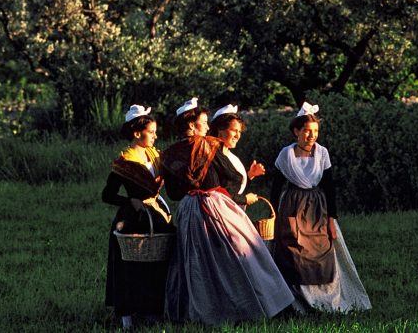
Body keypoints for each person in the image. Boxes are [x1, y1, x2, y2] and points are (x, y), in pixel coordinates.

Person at [161, 97, 295, 325]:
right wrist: (244, 193)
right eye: (203, 122)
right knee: (246, 251)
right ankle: (255, 306)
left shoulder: (170, 154)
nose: (207, 126)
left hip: (188, 210)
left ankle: (198, 311)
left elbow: (173, 193)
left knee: (196, 263)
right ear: (192, 126)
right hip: (213, 207)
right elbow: (228, 181)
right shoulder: (208, 147)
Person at [271, 102, 372, 314]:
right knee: (294, 252)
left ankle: (325, 301)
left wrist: (331, 218)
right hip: (292, 207)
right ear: (296, 131)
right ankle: (298, 303)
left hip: (317, 208)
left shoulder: (322, 153)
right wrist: (273, 215)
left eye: (315, 131)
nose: (311, 136)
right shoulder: (286, 155)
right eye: (307, 131)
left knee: (321, 252)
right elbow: (276, 187)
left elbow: (329, 186)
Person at [102, 105, 174, 330]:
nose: (155, 136)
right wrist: (129, 201)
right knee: (130, 264)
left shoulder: (156, 156)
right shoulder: (125, 162)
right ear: (136, 133)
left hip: (157, 214)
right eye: (151, 132)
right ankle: (126, 313)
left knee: (158, 261)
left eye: (154, 132)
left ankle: (152, 309)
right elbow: (107, 195)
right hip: (134, 218)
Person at [207, 104, 266, 207]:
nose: (238, 136)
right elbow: (216, 193)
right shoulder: (211, 157)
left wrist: (250, 175)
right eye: (234, 130)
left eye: (239, 131)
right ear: (220, 130)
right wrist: (245, 199)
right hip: (217, 212)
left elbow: (235, 189)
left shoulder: (232, 157)